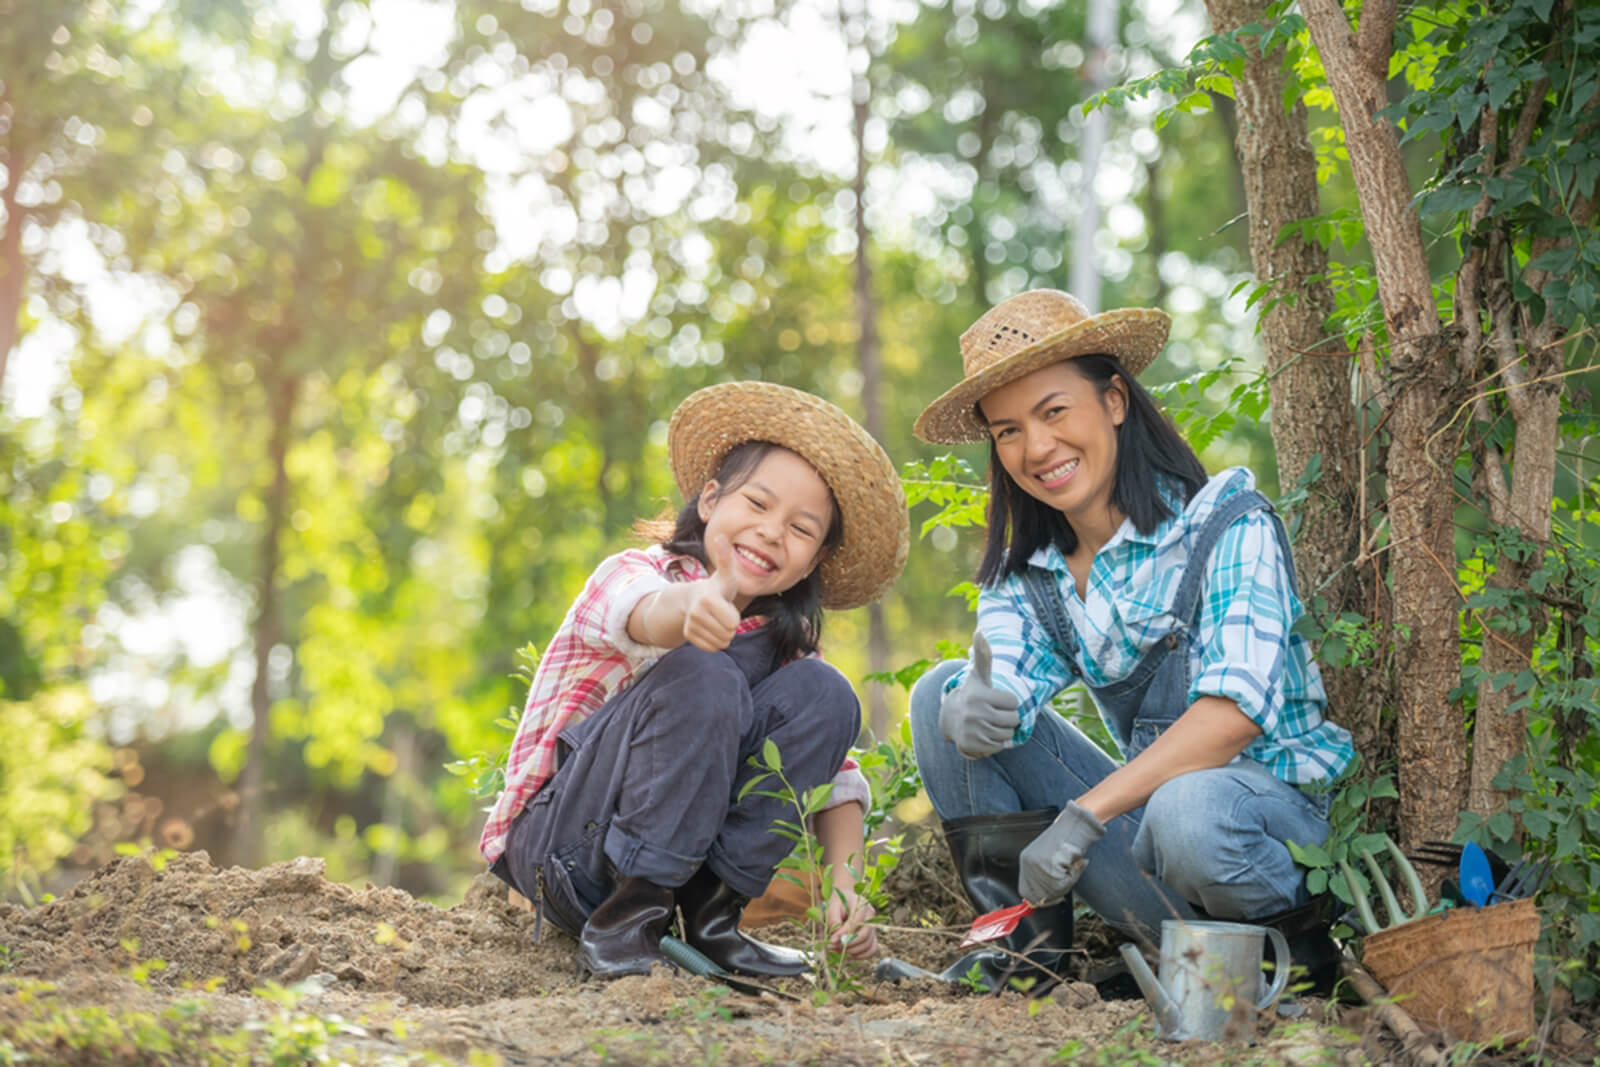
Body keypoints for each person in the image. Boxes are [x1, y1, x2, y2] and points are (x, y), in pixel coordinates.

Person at [904, 289, 1354, 993]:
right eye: (1008, 431)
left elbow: (1233, 714)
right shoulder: (1032, 577)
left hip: (1262, 844)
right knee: (939, 690)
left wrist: (1087, 815)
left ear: (1113, 400)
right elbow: (1007, 679)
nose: (1037, 446)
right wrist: (978, 706)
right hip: (1159, 863)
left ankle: (1298, 964)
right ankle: (1023, 958)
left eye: (1054, 411)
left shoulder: (1227, 523)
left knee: (1191, 809)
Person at [480, 381, 909, 980]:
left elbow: (837, 780)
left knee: (828, 694)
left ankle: (711, 921)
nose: (770, 531)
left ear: (810, 563)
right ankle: (627, 922)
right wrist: (692, 607)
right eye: (757, 505)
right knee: (705, 672)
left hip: (681, 871)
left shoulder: (782, 647)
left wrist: (844, 886)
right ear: (709, 500)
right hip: (568, 852)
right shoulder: (635, 575)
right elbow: (644, 613)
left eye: (801, 529)